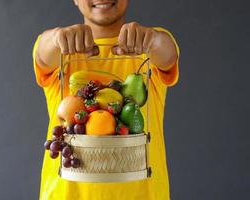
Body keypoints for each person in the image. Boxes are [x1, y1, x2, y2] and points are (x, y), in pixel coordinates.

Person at [32, 0, 179, 199]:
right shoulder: (61, 50)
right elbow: (42, 53)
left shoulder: (148, 49)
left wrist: (152, 40)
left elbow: (167, 52)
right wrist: (58, 37)